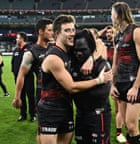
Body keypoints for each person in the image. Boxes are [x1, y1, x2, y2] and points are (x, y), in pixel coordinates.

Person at [36, 14, 112, 144]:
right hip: (50, 110)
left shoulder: (70, 51)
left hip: (67, 108)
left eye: (73, 30)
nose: (71, 34)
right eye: (67, 30)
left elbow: (99, 43)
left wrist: (91, 58)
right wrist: (99, 80)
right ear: (57, 33)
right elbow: (71, 87)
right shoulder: (54, 58)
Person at [110, 2, 140, 144]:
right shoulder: (117, 36)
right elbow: (115, 64)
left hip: (134, 83)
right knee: (127, 124)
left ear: (119, 14)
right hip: (120, 81)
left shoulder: (137, 31)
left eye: (112, 13)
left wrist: (136, 86)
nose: (111, 17)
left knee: (132, 126)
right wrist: (112, 85)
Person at [70, 29, 112, 144]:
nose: (79, 53)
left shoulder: (102, 65)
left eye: (83, 50)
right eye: (76, 50)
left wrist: (75, 87)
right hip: (80, 114)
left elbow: (101, 93)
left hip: (98, 114)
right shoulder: (73, 64)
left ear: (91, 48)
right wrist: (92, 82)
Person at [11, 32, 35, 122]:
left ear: (22, 39)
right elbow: (13, 62)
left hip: (28, 77)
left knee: (30, 96)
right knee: (21, 96)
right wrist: (14, 72)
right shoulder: (16, 50)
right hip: (18, 77)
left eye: (17, 38)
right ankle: (23, 114)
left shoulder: (30, 49)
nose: (16, 40)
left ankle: (32, 114)